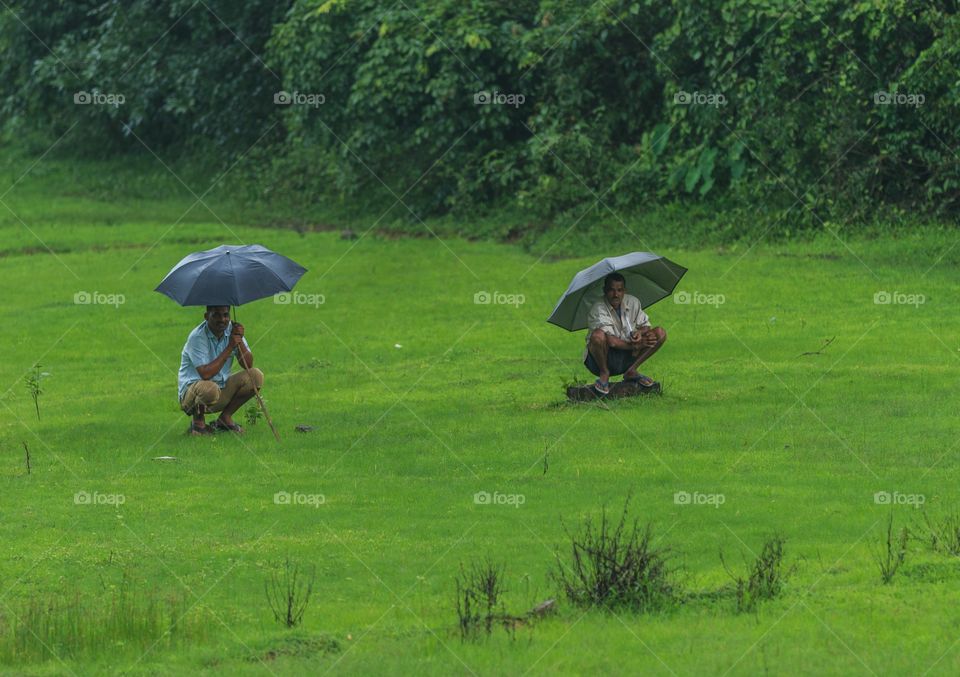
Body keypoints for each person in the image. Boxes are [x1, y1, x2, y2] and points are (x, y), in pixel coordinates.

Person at [178, 306, 264, 435]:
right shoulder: (197, 337)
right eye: (216, 315)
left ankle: (225, 419)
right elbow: (205, 374)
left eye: (226, 315)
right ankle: (198, 423)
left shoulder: (232, 330)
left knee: (256, 376)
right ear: (206, 317)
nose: (222, 319)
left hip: (220, 389)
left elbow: (248, 364)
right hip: (192, 394)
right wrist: (230, 346)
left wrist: (239, 340)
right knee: (209, 388)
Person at [584, 273, 666, 395]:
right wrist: (635, 346)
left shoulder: (633, 302)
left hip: (627, 355)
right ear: (604, 291)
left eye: (619, 290)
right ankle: (604, 373)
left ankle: (631, 370)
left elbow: (646, 326)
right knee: (597, 336)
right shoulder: (598, 308)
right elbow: (610, 341)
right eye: (611, 290)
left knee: (660, 333)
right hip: (602, 359)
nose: (616, 295)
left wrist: (639, 332)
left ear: (624, 290)